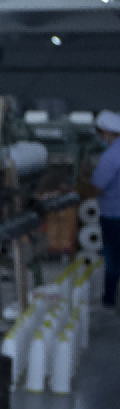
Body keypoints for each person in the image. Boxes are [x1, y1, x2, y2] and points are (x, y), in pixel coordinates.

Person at [92, 110, 120, 307]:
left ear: (107, 132)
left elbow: (97, 188)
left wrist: (81, 185)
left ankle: (109, 300)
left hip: (114, 216)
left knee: (113, 260)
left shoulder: (111, 156)